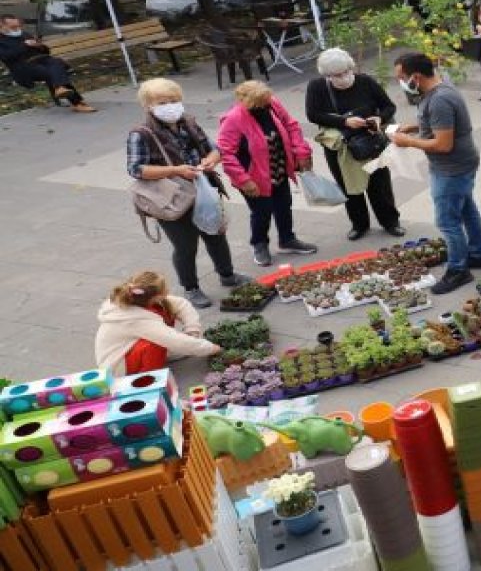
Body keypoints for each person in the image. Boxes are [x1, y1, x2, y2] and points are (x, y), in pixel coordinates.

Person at [126, 79, 252, 309]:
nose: (171, 106)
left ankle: (227, 275)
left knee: (216, 234)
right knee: (185, 246)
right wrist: (175, 170)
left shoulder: (189, 123)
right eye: (163, 102)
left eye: (174, 100)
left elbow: (214, 149)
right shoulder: (141, 134)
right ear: (148, 106)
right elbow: (136, 169)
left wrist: (211, 160)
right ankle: (191, 288)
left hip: (203, 189)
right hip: (171, 198)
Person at [390, 53, 481, 295]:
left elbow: (443, 144)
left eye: (401, 78)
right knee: (467, 208)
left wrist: (409, 141)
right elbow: (442, 123)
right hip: (462, 162)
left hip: (451, 168)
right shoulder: (441, 86)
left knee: (447, 221)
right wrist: (415, 126)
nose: (400, 82)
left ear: (415, 77)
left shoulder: (439, 99)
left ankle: (458, 270)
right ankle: (479, 254)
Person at [305, 48, 405, 241]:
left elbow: (388, 106)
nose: (343, 78)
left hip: (371, 141)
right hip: (341, 146)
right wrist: (344, 122)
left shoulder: (365, 82)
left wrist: (378, 118)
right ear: (327, 76)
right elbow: (313, 114)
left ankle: (390, 222)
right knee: (348, 186)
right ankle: (359, 224)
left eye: (346, 72)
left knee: (380, 184)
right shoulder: (317, 87)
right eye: (337, 75)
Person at [218, 80, 318, 267]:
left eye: (267, 99)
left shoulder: (271, 103)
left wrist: (301, 151)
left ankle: (287, 239)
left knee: (284, 205)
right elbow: (226, 153)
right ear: (245, 101)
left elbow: (291, 125)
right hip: (253, 176)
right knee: (261, 212)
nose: (266, 104)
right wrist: (243, 180)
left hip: (278, 166)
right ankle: (259, 244)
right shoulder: (233, 118)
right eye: (261, 102)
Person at [96, 271, 220, 376]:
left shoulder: (138, 300)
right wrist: (210, 348)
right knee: (154, 343)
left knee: (166, 309)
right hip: (118, 365)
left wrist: (192, 330)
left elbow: (182, 304)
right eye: (165, 289)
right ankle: (146, 379)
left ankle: (160, 356)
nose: (168, 291)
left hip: (128, 349)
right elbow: (175, 340)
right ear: (155, 296)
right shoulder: (134, 319)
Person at [0, 14, 95, 112]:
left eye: (19, 26)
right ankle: (76, 102)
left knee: (57, 62)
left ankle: (61, 89)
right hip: (23, 67)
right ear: (2, 26)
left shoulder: (24, 34)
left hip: (42, 60)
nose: (17, 29)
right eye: (13, 27)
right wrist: (24, 45)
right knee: (53, 71)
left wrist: (39, 46)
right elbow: (6, 56)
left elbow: (45, 52)